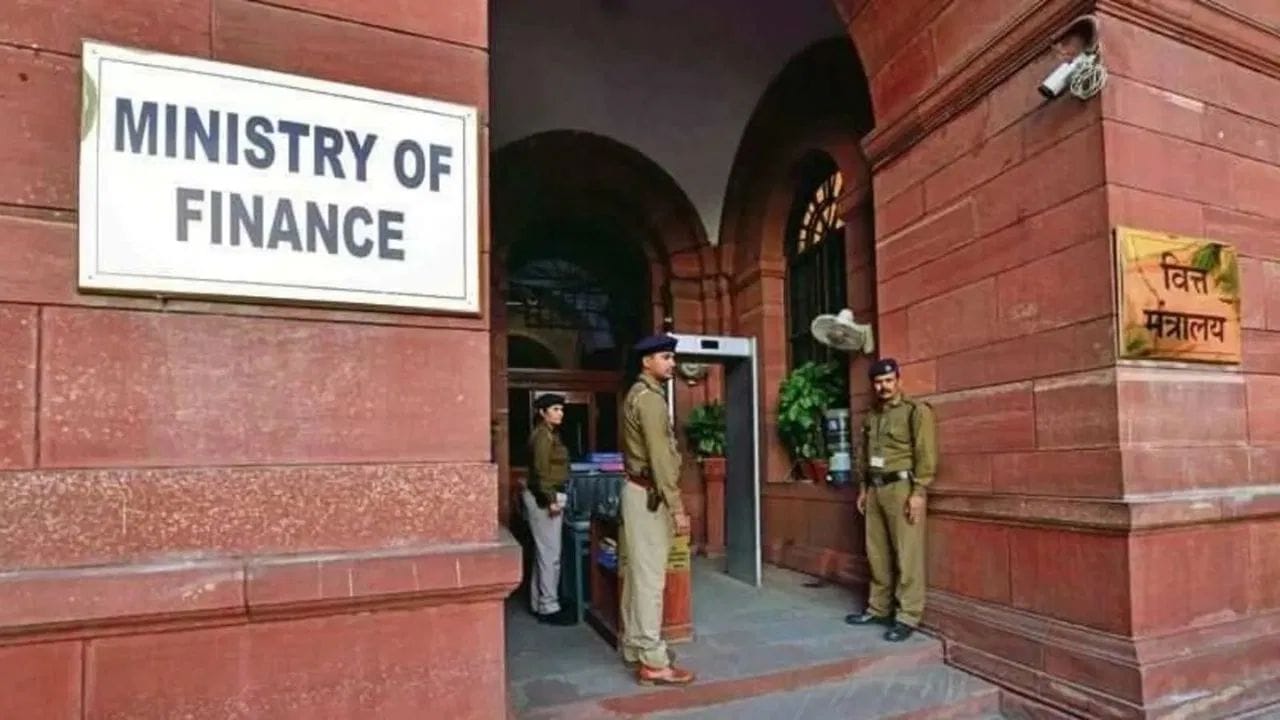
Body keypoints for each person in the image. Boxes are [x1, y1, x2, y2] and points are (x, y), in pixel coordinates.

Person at [619, 334, 695, 685]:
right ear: (647, 361)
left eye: (672, 357)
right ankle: (652, 660)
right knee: (650, 579)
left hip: (639, 491)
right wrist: (676, 507)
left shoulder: (638, 393)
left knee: (638, 575)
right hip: (650, 496)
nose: (672, 363)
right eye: (665, 357)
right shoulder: (650, 400)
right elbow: (661, 459)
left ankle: (636, 646)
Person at [845, 358, 938, 642]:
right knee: (877, 553)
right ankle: (878, 608)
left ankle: (907, 616)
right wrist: (864, 488)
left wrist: (918, 492)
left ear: (898, 380)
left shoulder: (915, 411)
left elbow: (926, 454)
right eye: (878, 382)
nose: (883, 386)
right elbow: (864, 455)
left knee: (907, 554)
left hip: (902, 488)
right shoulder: (872, 416)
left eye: (888, 380)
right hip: (875, 489)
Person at [523, 392, 574, 626]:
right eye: (555, 409)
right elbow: (541, 471)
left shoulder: (549, 434)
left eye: (561, 409)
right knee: (550, 555)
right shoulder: (543, 436)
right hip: (543, 497)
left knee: (544, 553)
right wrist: (551, 499)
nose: (560, 413)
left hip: (545, 495)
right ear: (542, 413)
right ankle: (549, 607)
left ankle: (540, 603)